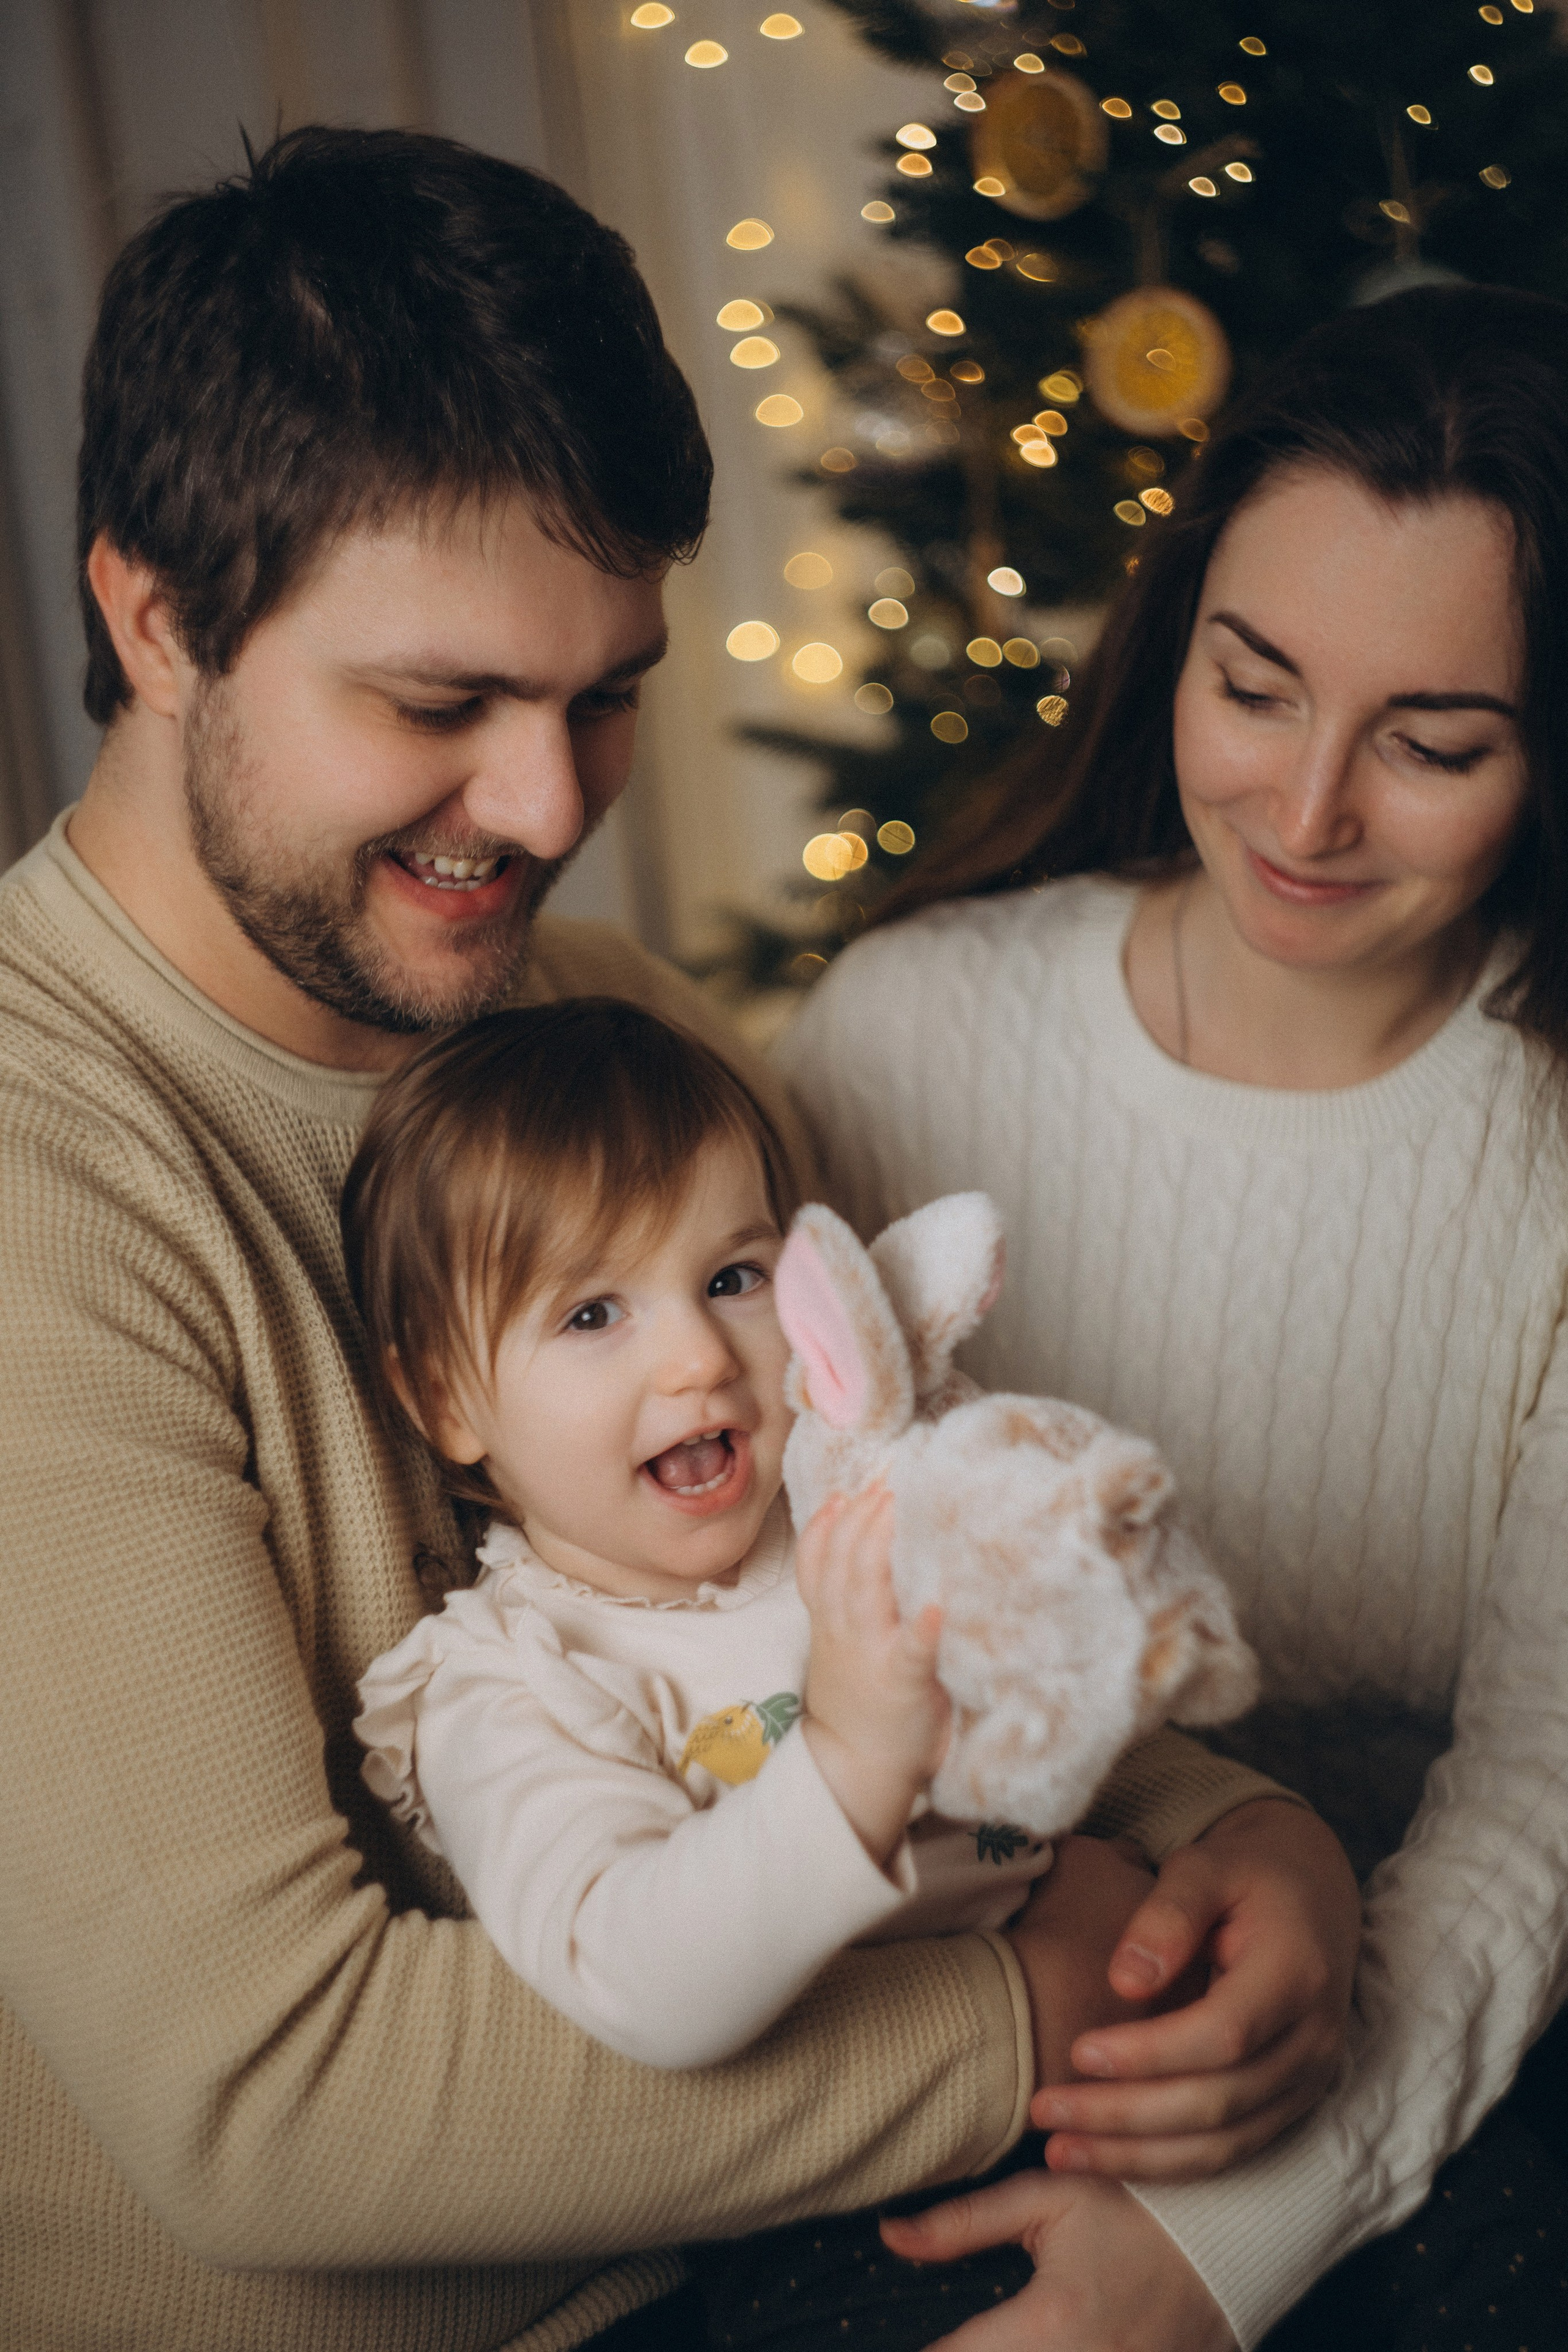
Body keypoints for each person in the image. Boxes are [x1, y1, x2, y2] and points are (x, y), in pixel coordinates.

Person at [0, 126, 1355, 2352]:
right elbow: (270, 2098)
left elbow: (895, 1534)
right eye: (439, 705)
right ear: (157, 618)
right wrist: (1037, 2022)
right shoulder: (44, 1186)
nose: (546, 812)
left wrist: (1248, 1840)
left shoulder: (609, 1029)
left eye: (602, 693)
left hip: (799, 2195)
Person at [775, 284, 1568, 2352]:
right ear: (1178, 644)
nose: (1308, 817)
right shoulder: (907, 1027)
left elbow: (1544, 1809)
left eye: (1434, 742)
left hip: (1462, 2046)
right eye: (1258, 686)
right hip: (989, 1983)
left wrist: (1226, 2256)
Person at [345, 998, 1065, 2068]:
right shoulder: (508, 1688)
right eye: (593, 1313)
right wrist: (855, 1757)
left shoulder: (852, 1503)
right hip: (872, 2169)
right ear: (446, 1400)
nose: (699, 1358)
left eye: (734, 1280)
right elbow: (635, 1985)